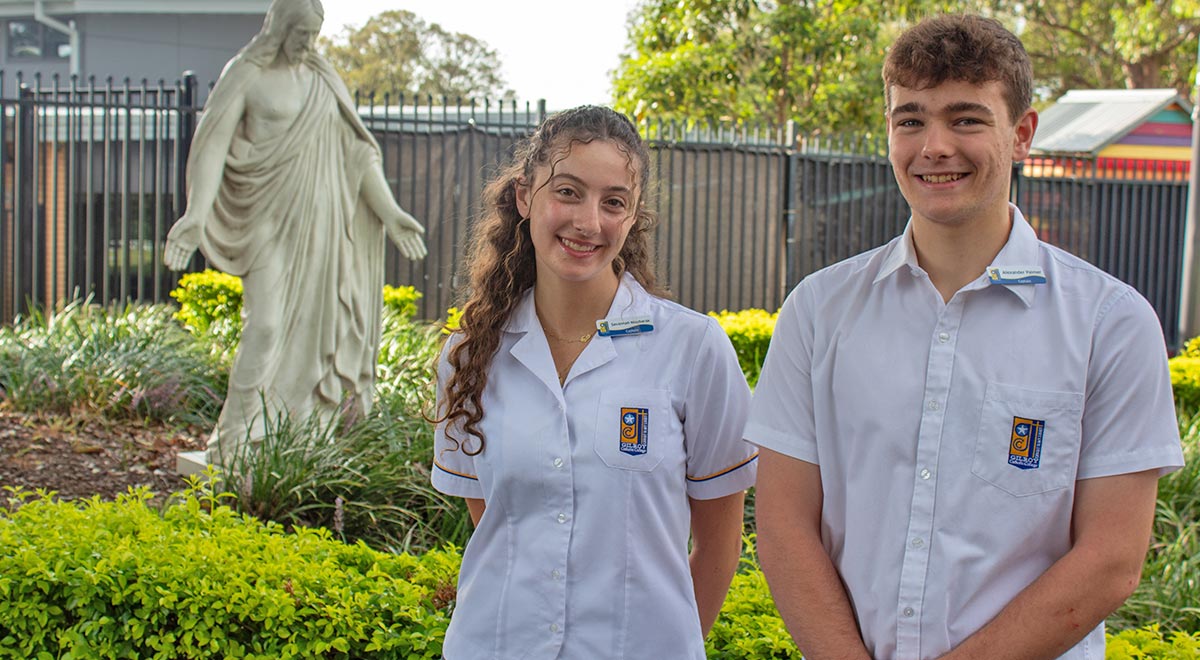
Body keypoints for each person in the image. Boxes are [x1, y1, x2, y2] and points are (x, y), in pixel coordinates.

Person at [747, 14, 1185, 660]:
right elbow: (784, 529)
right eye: (911, 120)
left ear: (1022, 134)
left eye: (967, 119)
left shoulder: (1111, 326)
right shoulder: (817, 312)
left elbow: (1111, 559)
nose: (934, 146)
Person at [430, 105, 757, 659]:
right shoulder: (468, 355)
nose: (589, 222)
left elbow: (721, 544)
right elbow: (498, 524)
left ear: (632, 218)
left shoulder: (693, 349)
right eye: (568, 192)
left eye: (614, 202)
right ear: (525, 197)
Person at [163, 0, 427, 464]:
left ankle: (298, 433)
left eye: (315, 33)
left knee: (317, 329)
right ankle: (236, 439)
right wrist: (196, 214)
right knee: (264, 327)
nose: (309, 43)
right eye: (302, 32)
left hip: (323, 221)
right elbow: (212, 146)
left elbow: (357, 154)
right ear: (280, 28)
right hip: (267, 217)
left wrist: (390, 212)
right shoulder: (245, 73)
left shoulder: (322, 78)